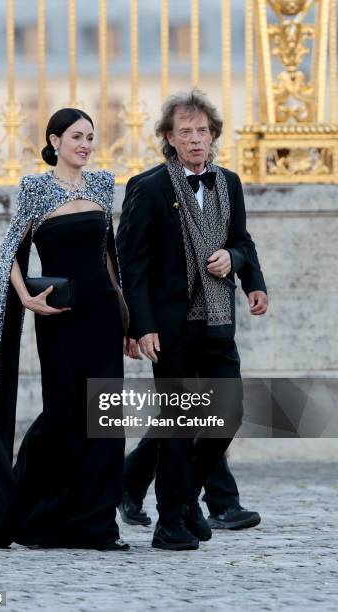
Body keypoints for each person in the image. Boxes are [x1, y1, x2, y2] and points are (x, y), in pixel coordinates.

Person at [0, 108, 130, 551]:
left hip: (103, 315)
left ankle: (97, 525)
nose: (85, 144)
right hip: (58, 318)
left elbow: (109, 256)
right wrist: (26, 298)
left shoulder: (104, 184)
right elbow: (11, 249)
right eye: (76, 137)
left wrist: (127, 313)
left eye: (90, 136)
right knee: (64, 414)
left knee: (105, 417)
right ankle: (42, 514)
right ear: (54, 140)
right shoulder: (35, 187)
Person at [121, 89, 266, 550]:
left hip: (219, 320)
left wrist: (244, 269)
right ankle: (170, 523)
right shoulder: (149, 187)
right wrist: (139, 325)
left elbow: (243, 240)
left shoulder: (230, 182)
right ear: (169, 137)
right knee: (179, 426)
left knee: (229, 414)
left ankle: (184, 502)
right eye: (185, 131)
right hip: (170, 325)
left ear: (213, 134)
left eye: (202, 130)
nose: (196, 138)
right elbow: (133, 264)